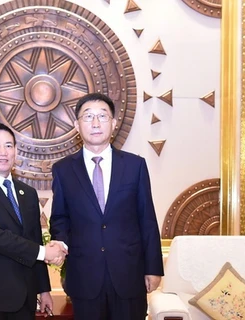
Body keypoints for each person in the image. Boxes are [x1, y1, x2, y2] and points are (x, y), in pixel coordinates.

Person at [49, 93, 164, 320]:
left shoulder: (135, 166)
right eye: (88, 116)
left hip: (129, 274)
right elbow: (60, 217)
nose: (95, 123)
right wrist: (60, 243)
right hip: (84, 276)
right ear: (76, 125)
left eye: (102, 116)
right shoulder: (63, 169)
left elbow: (147, 219)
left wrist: (153, 268)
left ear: (113, 123)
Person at [0, 122, 67, 320]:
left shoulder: (28, 193)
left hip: (24, 300)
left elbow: (34, 239)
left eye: (9, 146)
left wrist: (43, 290)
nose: (3, 152)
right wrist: (45, 253)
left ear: (16, 152)